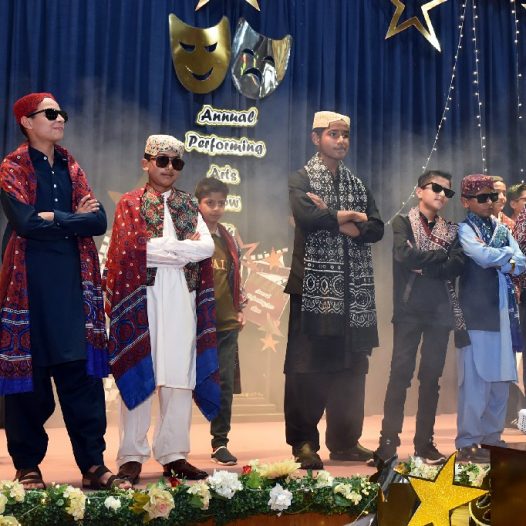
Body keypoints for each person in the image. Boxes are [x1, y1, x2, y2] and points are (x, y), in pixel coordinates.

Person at [0, 92, 123, 489]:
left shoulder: (71, 166)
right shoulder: (12, 167)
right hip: (29, 291)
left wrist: (55, 216)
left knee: (81, 380)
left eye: (61, 113)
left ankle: (93, 464)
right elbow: (25, 223)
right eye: (50, 113)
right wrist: (73, 219)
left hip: (73, 290)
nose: (59, 119)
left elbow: (98, 221)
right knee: (29, 384)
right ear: (26, 122)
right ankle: (27, 465)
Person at [104, 135, 218, 484]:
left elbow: (206, 248)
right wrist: (180, 249)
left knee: (180, 377)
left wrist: (159, 248)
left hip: (182, 297)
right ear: (146, 163)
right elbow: (131, 249)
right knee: (140, 368)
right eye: (162, 160)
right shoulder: (130, 203)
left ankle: (174, 454)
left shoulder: (188, 204)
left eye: (176, 162)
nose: (169, 168)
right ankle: (131, 456)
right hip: (142, 298)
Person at [284, 111, 384, 469]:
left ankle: (344, 442)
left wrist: (336, 217)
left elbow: (377, 228)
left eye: (345, 135)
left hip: (354, 294)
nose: (341, 141)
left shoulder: (358, 183)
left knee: (351, 369)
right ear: (316, 138)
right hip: (313, 289)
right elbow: (308, 218)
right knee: (307, 367)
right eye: (333, 134)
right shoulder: (301, 178)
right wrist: (351, 217)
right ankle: (303, 444)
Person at [375, 170, 465, 464]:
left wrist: (424, 264)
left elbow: (456, 265)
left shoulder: (452, 230)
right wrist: (440, 258)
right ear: (419, 191)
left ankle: (424, 443)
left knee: (431, 379)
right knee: (399, 376)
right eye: (436, 188)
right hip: (408, 310)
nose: (441, 194)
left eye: (447, 191)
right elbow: (404, 255)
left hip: (440, 312)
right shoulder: (403, 222)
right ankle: (388, 443)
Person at [456, 174, 526, 462]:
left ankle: (491, 439)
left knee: (500, 383)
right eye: (482, 197)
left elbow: (521, 262)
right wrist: (507, 257)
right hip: (477, 315)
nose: (489, 202)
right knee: (476, 383)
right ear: (466, 201)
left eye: (492, 196)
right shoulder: (464, 229)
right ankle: (468, 442)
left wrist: (503, 258)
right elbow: (481, 257)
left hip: (504, 316)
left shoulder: (501, 229)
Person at [195, 177, 247, 466]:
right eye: (210, 203)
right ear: (198, 204)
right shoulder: (189, 235)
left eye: (221, 203)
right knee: (184, 384)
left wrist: (240, 308)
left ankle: (220, 442)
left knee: (224, 385)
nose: (216, 208)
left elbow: (237, 275)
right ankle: (173, 448)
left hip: (226, 324)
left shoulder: (228, 237)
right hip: (194, 324)